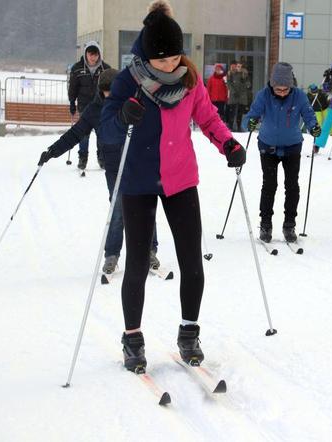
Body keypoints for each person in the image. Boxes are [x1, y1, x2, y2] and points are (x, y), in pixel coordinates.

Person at [99, 0, 246, 372]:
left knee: (191, 261)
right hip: (139, 182)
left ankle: (189, 331)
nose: (170, 66)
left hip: (181, 180)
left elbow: (208, 117)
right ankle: (132, 338)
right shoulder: (128, 82)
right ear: (147, 55)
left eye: (175, 58)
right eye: (162, 61)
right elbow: (107, 128)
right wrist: (122, 115)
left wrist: (227, 143)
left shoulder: (189, 80)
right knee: (136, 263)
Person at [39, 69, 161, 274]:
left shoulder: (135, 102)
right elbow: (76, 133)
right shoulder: (95, 109)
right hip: (114, 166)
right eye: (106, 93)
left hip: (139, 163)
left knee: (145, 206)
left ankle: (149, 250)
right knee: (119, 207)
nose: (109, 97)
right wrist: (53, 151)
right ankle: (112, 254)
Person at [245, 62, 320, 243]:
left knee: (292, 186)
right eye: (278, 89)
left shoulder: (299, 96)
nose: (282, 93)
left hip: (292, 146)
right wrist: (250, 122)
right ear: (272, 85)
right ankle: (265, 224)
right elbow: (252, 115)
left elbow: (309, 115)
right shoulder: (264, 95)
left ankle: (289, 224)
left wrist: (314, 127)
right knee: (269, 186)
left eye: (285, 89)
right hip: (268, 146)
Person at [68, 41, 111, 170]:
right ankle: (83, 158)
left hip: (101, 107)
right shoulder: (77, 68)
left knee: (101, 134)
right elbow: (73, 88)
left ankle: (102, 158)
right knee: (83, 134)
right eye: (90, 54)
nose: (93, 57)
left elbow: (111, 87)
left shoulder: (106, 68)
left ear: (99, 55)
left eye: (95, 54)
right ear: (86, 54)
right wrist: (72, 102)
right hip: (84, 107)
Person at [227, 61, 252, 131]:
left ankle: (238, 127)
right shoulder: (231, 73)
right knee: (232, 112)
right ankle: (231, 126)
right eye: (238, 66)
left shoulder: (244, 74)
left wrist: (246, 82)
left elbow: (248, 84)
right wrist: (233, 91)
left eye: (240, 66)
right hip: (233, 95)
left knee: (240, 113)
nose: (239, 68)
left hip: (242, 96)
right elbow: (229, 84)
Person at [306, 83, 330, 154]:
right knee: (318, 122)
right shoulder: (308, 95)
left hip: (324, 108)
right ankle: (318, 131)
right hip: (316, 110)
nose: (314, 92)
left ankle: (331, 133)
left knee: (327, 120)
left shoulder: (321, 93)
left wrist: (326, 99)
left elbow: (326, 98)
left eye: (315, 90)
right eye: (312, 91)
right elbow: (308, 103)